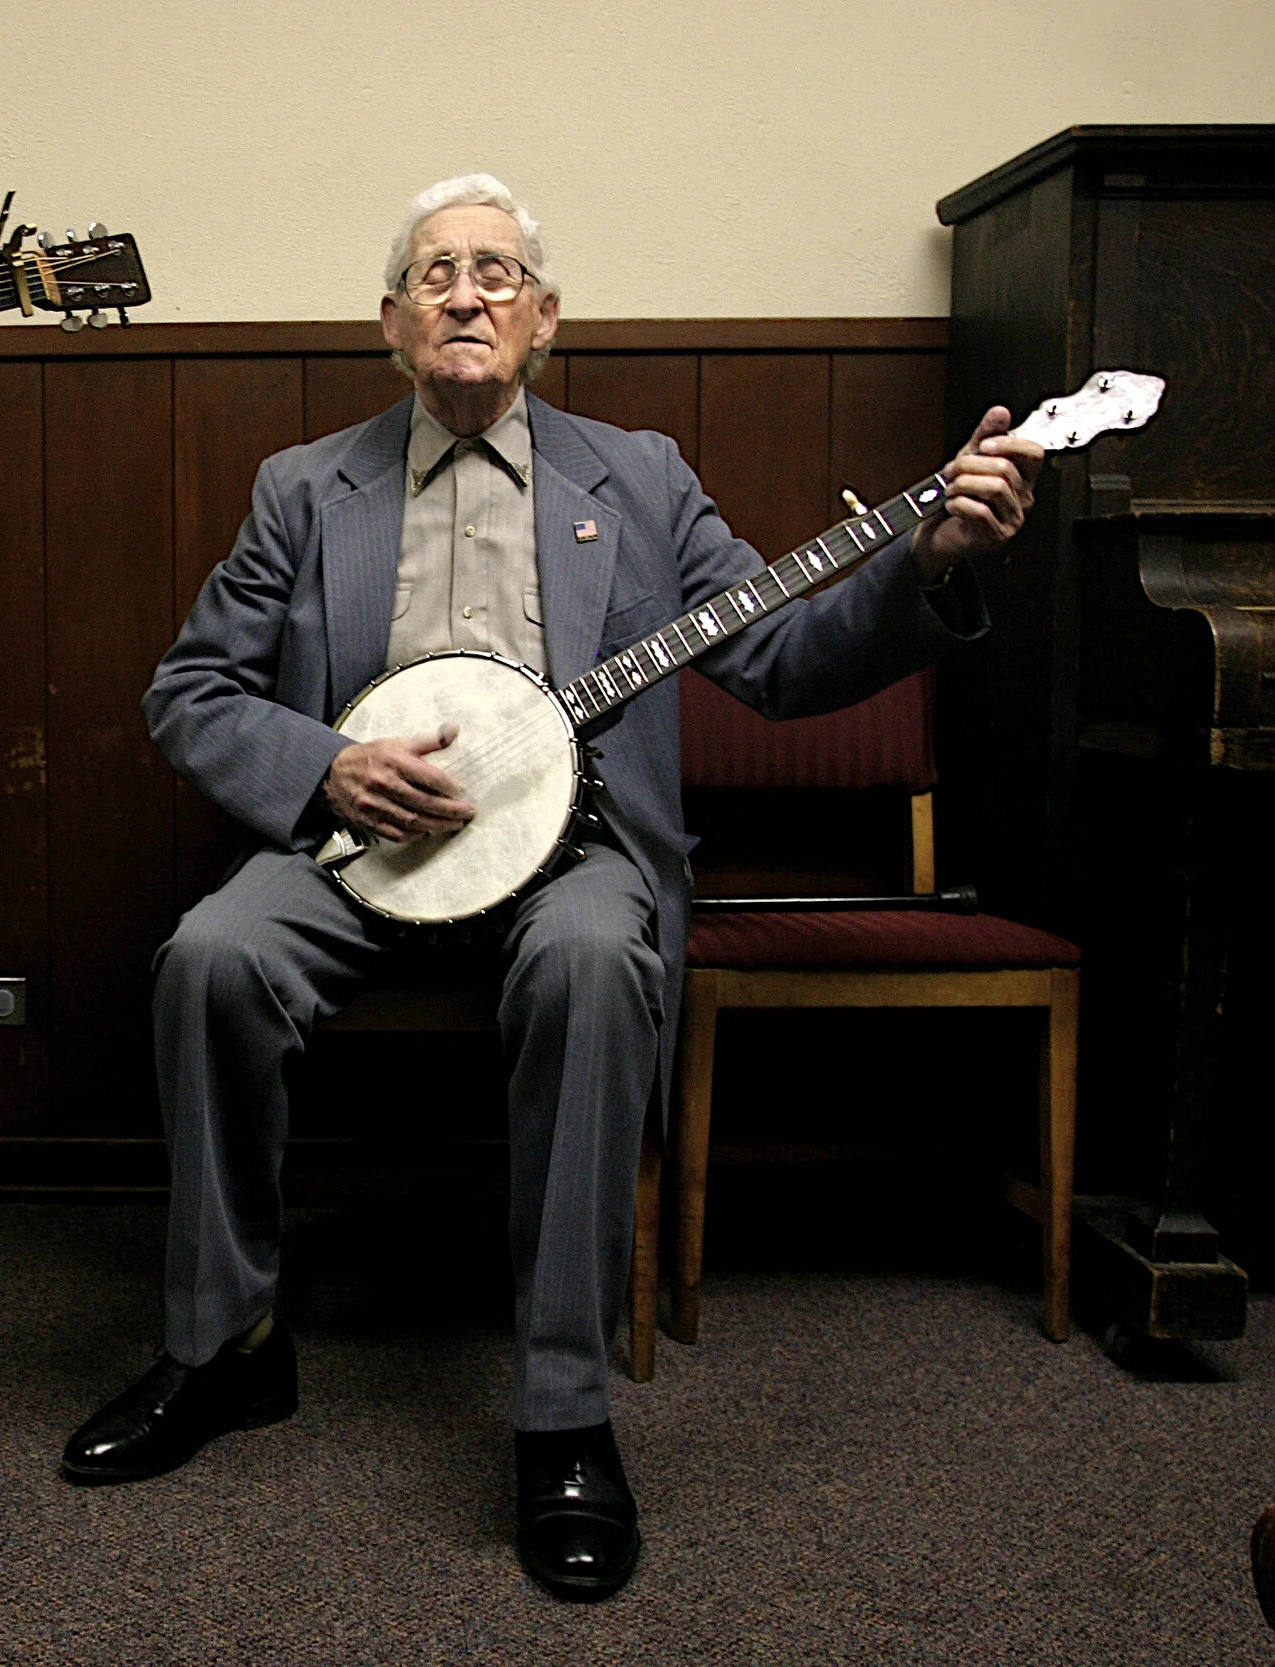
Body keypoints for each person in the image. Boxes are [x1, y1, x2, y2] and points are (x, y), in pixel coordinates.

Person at [58, 173, 1043, 1602]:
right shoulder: (302, 486)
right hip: (359, 850)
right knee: (212, 952)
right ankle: (225, 1348)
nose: (470, 292)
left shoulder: (637, 478)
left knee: (591, 962)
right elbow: (189, 690)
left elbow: (778, 662)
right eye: (439, 272)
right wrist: (325, 765)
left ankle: (564, 1413)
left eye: (500, 273)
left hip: (575, 855)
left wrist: (934, 563)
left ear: (547, 317)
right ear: (390, 320)